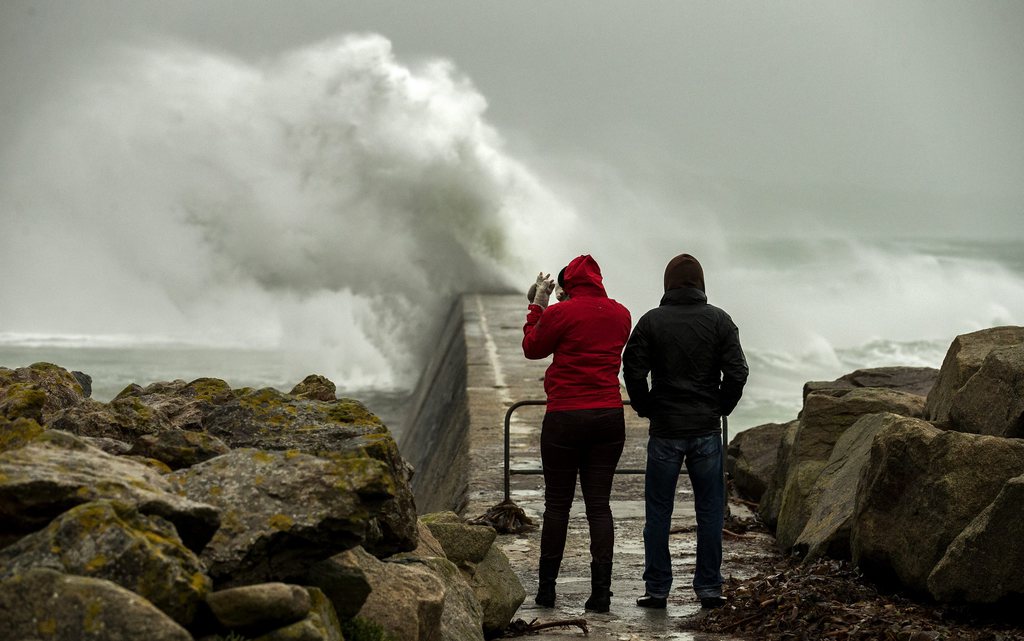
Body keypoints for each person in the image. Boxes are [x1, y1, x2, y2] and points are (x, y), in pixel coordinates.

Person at [622, 253, 748, 610]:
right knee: (709, 512)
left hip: (665, 430)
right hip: (706, 430)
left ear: (668, 284)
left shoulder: (651, 322)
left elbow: (632, 368)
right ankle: (708, 588)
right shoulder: (719, 321)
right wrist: (720, 407)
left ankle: (657, 589)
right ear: (701, 284)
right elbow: (738, 372)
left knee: (658, 513)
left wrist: (645, 405)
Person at [522, 254, 632, 613]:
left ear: (566, 286)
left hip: (565, 417)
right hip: (607, 417)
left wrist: (539, 307)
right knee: (599, 506)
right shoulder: (621, 314)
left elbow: (532, 348)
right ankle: (601, 593)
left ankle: (547, 591)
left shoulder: (559, 313)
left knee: (557, 505)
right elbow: (593, 329)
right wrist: (565, 305)